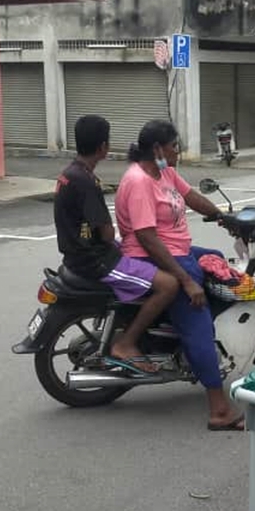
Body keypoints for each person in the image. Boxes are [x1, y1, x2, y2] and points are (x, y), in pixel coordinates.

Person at [114, 120, 246, 431]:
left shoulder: (165, 172)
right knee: (198, 317)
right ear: (158, 149)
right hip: (152, 255)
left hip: (178, 250)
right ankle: (218, 410)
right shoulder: (139, 182)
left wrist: (224, 217)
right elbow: (147, 237)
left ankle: (180, 335)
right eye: (174, 145)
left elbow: (190, 197)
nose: (178, 150)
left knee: (219, 266)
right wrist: (186, 281)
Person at [54, 116, 178, 372]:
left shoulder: (69, 174)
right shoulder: (87, 182)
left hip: (78, 254)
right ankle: (127, 342)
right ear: (103, 147)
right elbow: (108, 234)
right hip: (96, 261)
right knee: (169, 284)